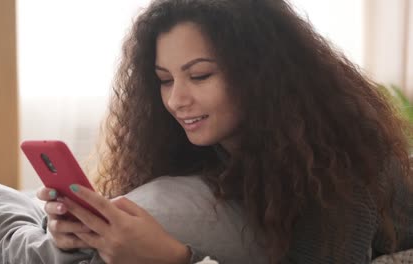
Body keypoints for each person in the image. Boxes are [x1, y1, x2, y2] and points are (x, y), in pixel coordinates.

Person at [37, 0, 413, 263]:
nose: (176, 100)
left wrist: (176, 259)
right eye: (165, 80)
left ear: (262, 75)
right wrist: (74, 229)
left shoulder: (335, 159)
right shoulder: (207, 141)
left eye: (200, 75)